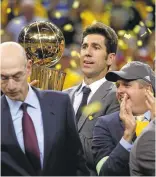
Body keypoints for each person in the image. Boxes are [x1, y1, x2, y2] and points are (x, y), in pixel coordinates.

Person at [1, 41, 89, 176]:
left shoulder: (61, 103)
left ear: (29, 68)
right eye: (4, 78)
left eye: (17, 76)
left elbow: (77, 161)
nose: (11, 85)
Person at [64, 22, 120, 175]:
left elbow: (103, 152)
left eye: (96, 47)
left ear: (110, 58)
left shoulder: (116, 97)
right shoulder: (65, 95)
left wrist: (59, 133)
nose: (87, 53)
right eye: (84, 46)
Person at [92, 61, 155, 176]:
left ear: (148, 90)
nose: (119, 91)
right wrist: (127, 136)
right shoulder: (104, 124)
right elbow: (106, 173)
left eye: (126, 85)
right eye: (117, 85)